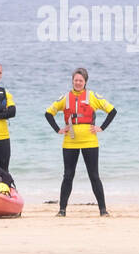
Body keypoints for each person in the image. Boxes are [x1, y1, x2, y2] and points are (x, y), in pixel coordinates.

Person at [44, 69, 117, 216]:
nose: (78, 83)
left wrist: (101, 128)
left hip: (90, 141)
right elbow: (48, 113)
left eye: (81, 81)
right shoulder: (65, 98)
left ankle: (103, 210)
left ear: (85, 82)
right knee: (68, 175)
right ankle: (62, 210)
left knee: (94, 176)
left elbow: (112, 111)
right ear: (72, 81)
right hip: (70, 142)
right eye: (75, 80)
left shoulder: (92, 96)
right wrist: (58, 129)